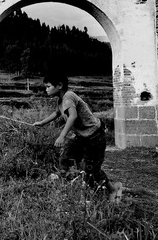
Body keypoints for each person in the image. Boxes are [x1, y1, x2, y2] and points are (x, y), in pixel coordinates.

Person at [32, 72, 122, 203]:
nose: (46, 89)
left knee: (92, 169)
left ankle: (113, 189)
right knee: (66, 158)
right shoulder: (61, 100)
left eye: (48, 86)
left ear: (59, 85)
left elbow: (73, 117)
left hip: (94, 136)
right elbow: (57, 113)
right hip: (81, 136)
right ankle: (74, 188)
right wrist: (42, 122)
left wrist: (61, 136)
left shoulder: (68, 97)